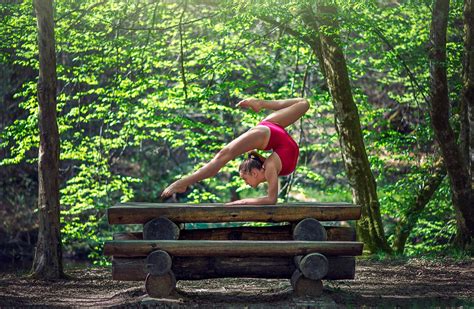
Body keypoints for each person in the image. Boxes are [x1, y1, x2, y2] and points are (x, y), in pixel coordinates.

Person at [160, 97, 310, 205]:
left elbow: (271, 200)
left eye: (244, 178)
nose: (245, 183)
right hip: (270, 131)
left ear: (254, 172)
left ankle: (184, 182)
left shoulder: (271, 167)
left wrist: (241, 202)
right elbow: (271, 199)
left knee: (305, 103)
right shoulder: (271, 167)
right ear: (256, 172)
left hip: (270, 130)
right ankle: (184, 182)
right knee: (303, 103)